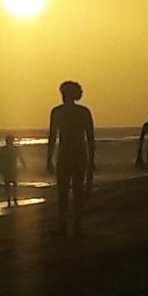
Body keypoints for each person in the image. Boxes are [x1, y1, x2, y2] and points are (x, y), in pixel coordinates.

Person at [46, 80, 95, 237]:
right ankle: (74, 228)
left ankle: (66, 227)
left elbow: (52, 137)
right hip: (78, 154)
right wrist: (91, 158)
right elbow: (91, 138)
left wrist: (49, 159)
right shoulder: (83, 112)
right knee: (76, 192)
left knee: (65, 193)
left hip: (66, 154)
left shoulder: (58, 112)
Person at [0, 134, 26, 207]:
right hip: (11, 168)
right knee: (13, 185)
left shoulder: (4, 149)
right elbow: (21, 158)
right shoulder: (15, 149)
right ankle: (13, 199)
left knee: (9, 186)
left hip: (8, 169)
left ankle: (10, 200)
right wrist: (25, 166)